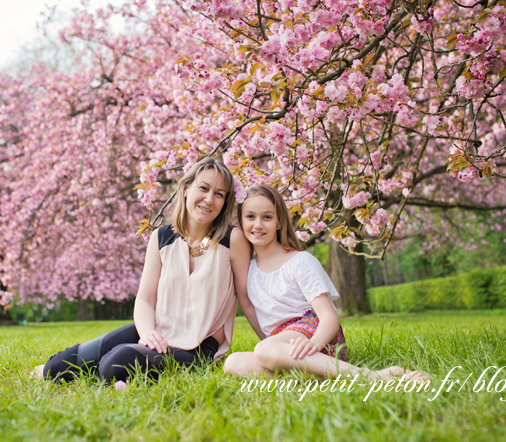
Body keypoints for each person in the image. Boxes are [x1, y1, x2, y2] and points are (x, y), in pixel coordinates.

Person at [31, 158, 261, 383]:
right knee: (57, 366)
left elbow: (247, 300)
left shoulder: (233, 239)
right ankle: (69, 369)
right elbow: (145, 299)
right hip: (158, 331)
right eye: (203, 188)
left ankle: (113, 369)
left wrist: (271, 344)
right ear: (186, 189)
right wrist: (148, 332)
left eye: (219, 194)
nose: (209, 199)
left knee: (115, 364)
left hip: (199, 346)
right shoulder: (161, 237)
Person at [223, 185, 429, 383]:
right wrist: (273, 347)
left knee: (263, 350)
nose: (258, 224)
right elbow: (248, 305)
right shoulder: (248, 269)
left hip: (318, 337)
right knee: (234, 363)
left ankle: (372, 376)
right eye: (250, 217)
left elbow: (329, 316)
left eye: (267, 217)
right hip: (282, 345)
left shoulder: (299, 261)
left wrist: (313, 344)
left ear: (279, 222)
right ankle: (321, 377)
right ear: (241, 221)